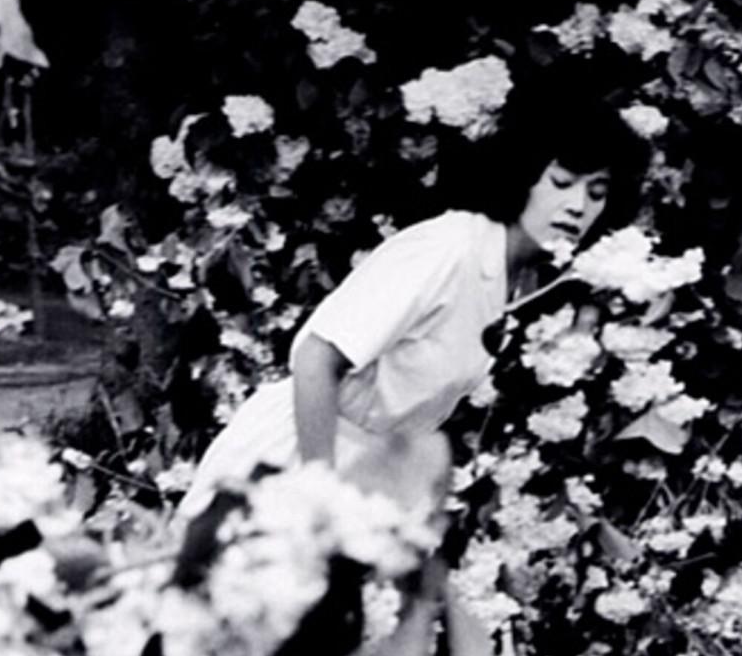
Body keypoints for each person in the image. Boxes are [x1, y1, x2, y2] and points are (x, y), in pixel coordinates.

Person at [179, 91, 647, 519]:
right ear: (524, 173)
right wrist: (317, 492)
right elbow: (316, 358)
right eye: (562, 181)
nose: (578, 205)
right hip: (295, 456)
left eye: (597, 192)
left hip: (365, 480)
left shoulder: (514, 280)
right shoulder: (449, 248)